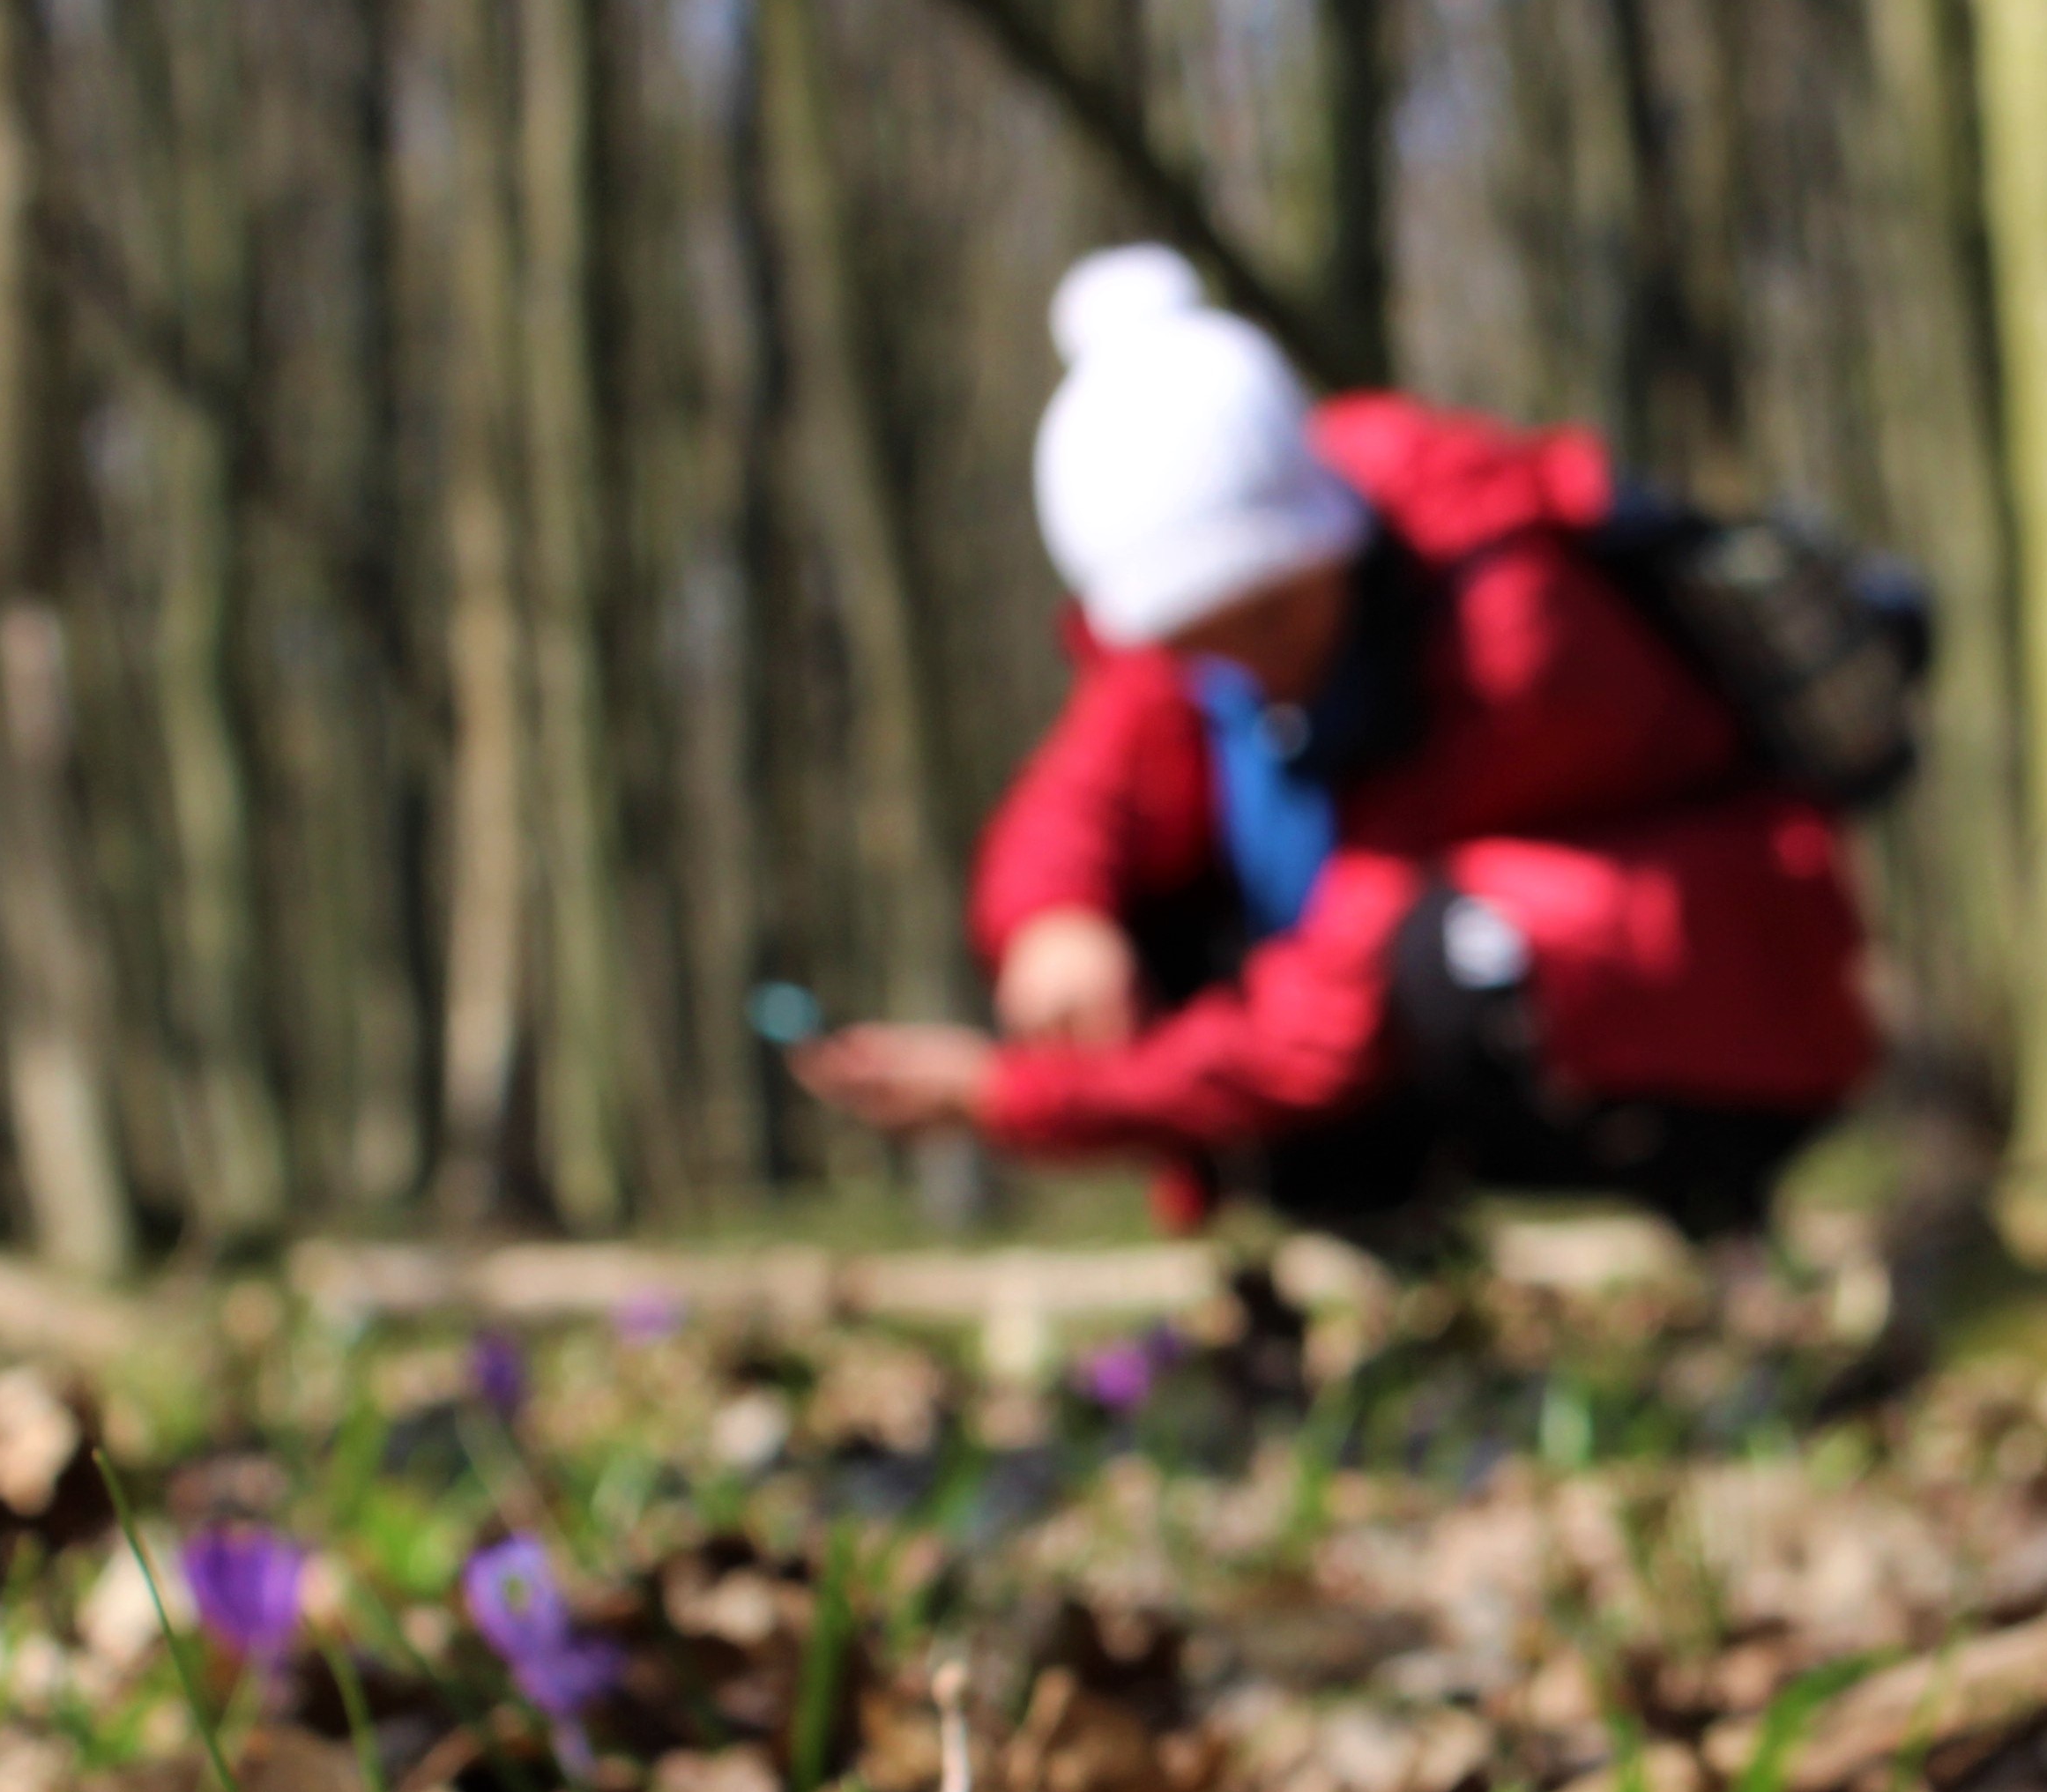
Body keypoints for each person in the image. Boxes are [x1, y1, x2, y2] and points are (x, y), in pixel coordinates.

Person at [791, 246, 1877, 1243]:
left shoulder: (1510, 639)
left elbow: (1328, 1020)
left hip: (1728, 989)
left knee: (1451, 956)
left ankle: (1704, 1195)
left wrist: (1011, 1097)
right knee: (1169, 933)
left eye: (1268, 617)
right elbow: (1088, 783)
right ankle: (1387, 1240)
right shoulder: (1213, 620)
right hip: (1454, 996)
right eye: (1198, 644)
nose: (1249, 664)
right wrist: (1054, 918)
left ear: (1326, 539)